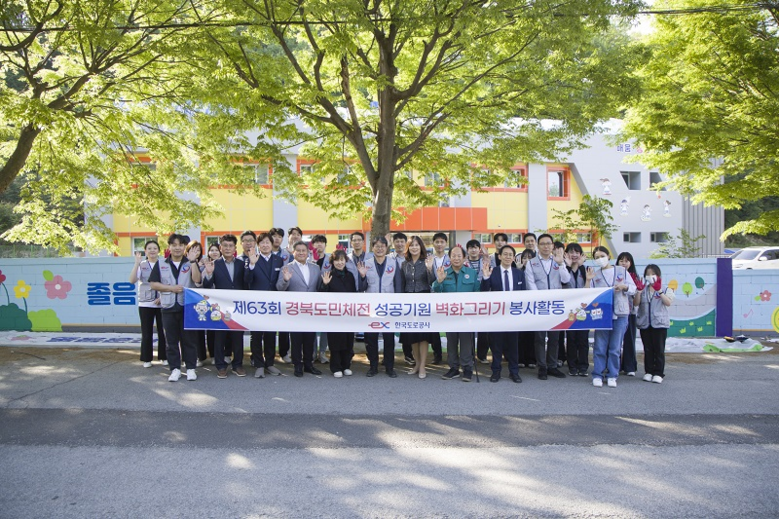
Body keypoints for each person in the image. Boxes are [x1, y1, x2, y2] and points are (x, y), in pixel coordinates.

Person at [149, 233, 202, 382]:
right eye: (174, 245)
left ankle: (190, 368)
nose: (177, 248)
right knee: (171, 341)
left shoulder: (190, 262)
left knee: (189, 340)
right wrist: (170, 288)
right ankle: (175, 369)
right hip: (168, 307)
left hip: (187, 307)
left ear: (185, 247)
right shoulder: (161, 263)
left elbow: (197, 280)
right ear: (169, 247)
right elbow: (153, 284)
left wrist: (193, 262)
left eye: (180, 245)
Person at [588, 246, 637, 388]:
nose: (600, 259)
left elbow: (633, 288)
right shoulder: (595, 275)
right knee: (600, 346)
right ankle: (597, 374)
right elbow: (588, 294)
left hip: (620, 313)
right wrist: (588, 280)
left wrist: (624, 287)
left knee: (615, 347)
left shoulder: (621, 271)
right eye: (596, 257)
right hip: (602, 315)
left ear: (609, 256)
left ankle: (612, 375)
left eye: (602, 256)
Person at [525, 233, 570, 380]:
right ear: (538, 246)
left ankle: (552, 366)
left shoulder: (558, 261)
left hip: (556, 305)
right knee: (539, 337)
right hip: (540, 305)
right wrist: (540, 300)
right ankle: (542, 367)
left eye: (548, 243)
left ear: (552, 246)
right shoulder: (531, 263)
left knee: (554, 338)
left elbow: (566, 279)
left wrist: (561, 264)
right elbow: (530, 283)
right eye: (542, 244)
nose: (546, 246)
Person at [202, 234, 247, 379]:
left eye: (230, 246)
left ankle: (238, 364)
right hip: (220, 307)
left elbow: (247, 283)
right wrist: (209, 274)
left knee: (237, 337)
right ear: (220, 248)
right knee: (219, 337)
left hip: (237, 306)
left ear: (235, 248)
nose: (228, 248)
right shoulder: (214, 264)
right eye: (225, 246)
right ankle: (220, 366)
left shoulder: (241, 264)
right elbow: (207, 287)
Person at [433, 245, 480, 382]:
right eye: (453, 256)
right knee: (451, 342)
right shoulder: (444, 272)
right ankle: (453, 368)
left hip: (467, 315)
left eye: (459, 256)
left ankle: (467, 369)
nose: (456, 258)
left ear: (464, 258)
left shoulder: (472, 273)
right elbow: (436, 291)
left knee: (466, 342)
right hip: (450, 315)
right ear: (449, 258)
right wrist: (439, 281)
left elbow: (477, 292)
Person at [276, 241, 323, 377]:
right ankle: (297, 365)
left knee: (310, 338)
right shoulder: (287, 268)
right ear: (293, 252)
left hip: (310, 309)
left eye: (304, 250)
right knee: (296, 339)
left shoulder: (315, 268)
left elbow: (319, 287)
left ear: (308, 252)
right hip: (294, 310)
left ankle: (308, 364)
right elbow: (279, 288)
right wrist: (285, 280)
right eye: (298, 250)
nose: (301, 253)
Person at [480, 245, 526, 383]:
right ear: (499, 256)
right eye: (505, 254)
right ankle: (496, 371)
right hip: (497, 315)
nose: (507, 257)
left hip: (513, 315)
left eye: (510, 254)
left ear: (513, 258)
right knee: (496, 345)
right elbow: (483, 292)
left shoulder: (519, 273)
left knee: (513, 345)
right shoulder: (492, 271)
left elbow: (524, 295)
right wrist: (485, 278)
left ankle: (514, 372)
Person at [245, 232, 285, 378]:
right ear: (258, 245)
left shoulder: (279, 260)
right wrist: (252, 265)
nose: (265, 245)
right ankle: (258, 364)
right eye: (262, 243)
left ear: (272, 244)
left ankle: (269, 363)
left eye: (268, 242)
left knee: (270, 335)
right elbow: (247, 280)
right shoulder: (252, 259)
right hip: (256, 304)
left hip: (273, 304)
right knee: (256, 336)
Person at [362, 236, 402, 378]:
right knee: (371, 338)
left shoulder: (393, 263)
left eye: (382, 246)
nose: (379, 249)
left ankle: (390, 367)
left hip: (388, 307)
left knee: (389, 338)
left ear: (386, 248)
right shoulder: (366, 264)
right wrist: (362, 276)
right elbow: (361, 287)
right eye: (377, 246)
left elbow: (398, 285)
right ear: (372, 248)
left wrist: (398, 304)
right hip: (371, 307)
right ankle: (373, 366)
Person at [318, 249, 360, 378]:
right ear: (332, 262)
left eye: (342, 260)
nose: (340, 263)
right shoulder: (328, 275)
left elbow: (354, 294)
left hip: (348, 313)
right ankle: (335, 367)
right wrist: (325, 285)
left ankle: (346, 366)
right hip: (334, 315)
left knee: (348, 340)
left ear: (345, 261)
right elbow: (321, 296)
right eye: (337, 260)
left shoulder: (350, 276)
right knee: (335, 341)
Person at [399, 236, 435, 378]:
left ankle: (423, 366)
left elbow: (432, 282)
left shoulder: (427, 261)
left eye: (417, 245)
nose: (414, 247)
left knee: (423, 335)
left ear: (421, 247)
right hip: (408, 301)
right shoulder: (404, 264)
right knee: (412, 335)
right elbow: (402, 283)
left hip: (423, 300)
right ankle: (417, 364)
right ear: (408, 248)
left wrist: (430, 269)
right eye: (411, 245)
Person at [129, 240, 167, 368]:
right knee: (146, 333)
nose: (152, 250)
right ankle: (147, 359)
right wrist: (136, 263)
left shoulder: (164, 264)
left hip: (161, 303)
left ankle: (164, 357)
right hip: (145, 304)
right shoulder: (142, 265)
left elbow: (168, 282)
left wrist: (162, 296)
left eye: (155, 248)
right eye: (149, 248)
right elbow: (132, 280)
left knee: (163, 332)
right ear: (145, 251)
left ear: (158, 251)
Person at [636, 264, 674, 384]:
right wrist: (638, 292)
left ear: (658, 275)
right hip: (645, 324)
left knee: (659, 349)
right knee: (648, 349)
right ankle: (649, 371)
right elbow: (636, 303)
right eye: (648, 274)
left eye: (653, 274)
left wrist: (659, 291)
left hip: (659, 324)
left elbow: (668, 303)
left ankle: (658, 373)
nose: (650, 276)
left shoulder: (665, 289)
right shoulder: (643, 289)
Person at [564, 243, 590, 376]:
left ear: (581, 255)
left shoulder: (585, 270)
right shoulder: (564, 269)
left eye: (576, 252)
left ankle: (583, 366)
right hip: (568, 310)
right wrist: (568, 267)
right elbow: (563, 284)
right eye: (571, 252)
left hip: (583, 309)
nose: (574, 255)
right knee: (571, 339)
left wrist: (580, 267)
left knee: (583, 339)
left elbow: (589, 289)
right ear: (566, 254)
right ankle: (572, 366)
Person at [183, 240, 210, 367]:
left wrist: (195, 263)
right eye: (192, 249)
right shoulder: (183, 263)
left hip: (198, 300)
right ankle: (186, 357)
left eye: (198, 250)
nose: (196, 252)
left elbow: (197, 280)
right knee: (185, 332)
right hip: (184, 300)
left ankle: (200, 356)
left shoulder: (203, 263)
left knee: (198, 330)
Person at [617, 251, 642, 376]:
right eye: (621, 260)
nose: (624, 263)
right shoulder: (613, 275)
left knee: (629, 340)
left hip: (630, 313)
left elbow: (636, 301)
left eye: (626, 261)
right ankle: (615, 365)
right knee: (616, 341)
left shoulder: (635, 278)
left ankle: (629, 366)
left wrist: (638, 291)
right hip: (617, 313)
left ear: (631, 263)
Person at [391, 232, 414, 366]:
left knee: (407, 327)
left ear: (406, 244)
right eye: (397, 241)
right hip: (391, 297)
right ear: (393, 243)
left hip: (408, 297)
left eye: (402, 241)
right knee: (389, 328)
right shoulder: (388, 258)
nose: (399, 244)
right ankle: (388, 356)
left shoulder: (410, 258)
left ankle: (408, 354)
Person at [467, 239, 492, 365]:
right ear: (467, 250)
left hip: (484, 298)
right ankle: (470, 355)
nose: (473, 250)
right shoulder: (464, 262)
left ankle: (482, 355)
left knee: (483, 328)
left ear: (479, 249)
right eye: (471, 247)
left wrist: (488, 260)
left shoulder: (486, 261)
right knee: (469, 328)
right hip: (468, 299)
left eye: (475, 247)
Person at [428, 232, 450, 364]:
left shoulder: (451, 258)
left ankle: (452, 355)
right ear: (433, 243)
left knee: (450, 327)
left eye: (442, 242)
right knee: (434, 328)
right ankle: (437, 354)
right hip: (433, 297)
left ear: (446, 243)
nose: (439, 244)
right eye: (437, 242)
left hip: (448, 297)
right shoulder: (429, 259)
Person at [311, 234, 331, 364]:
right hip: (311, 297)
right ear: (312, 245)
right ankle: (312, 352)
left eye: (322, 242)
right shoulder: (308, 259)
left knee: (325, 326)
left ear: (325, 245)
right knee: (311, 326)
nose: (319, 244)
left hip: (325, 297)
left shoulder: (330, 259)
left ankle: (322, 352)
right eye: (316, 242)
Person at [516, 248, 537, 369]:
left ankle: (531, 359)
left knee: (532, 334)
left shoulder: (537, 271)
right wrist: (518, 269)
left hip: (533, 306)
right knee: (520, 334)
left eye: (530, 258)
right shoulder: (518, 271)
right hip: (520, 306)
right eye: (524, 258)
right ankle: (521, 359)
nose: (527, 260)